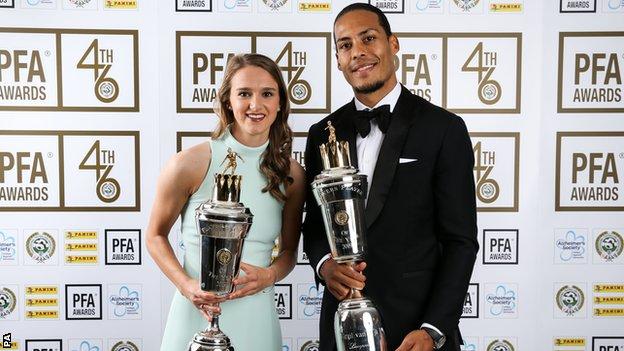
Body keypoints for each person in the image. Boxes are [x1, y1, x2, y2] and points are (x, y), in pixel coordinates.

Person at [302, 4, 479, 351]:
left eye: (369, 38)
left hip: (415, 330)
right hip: (343, 326)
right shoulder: (322, 134)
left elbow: (461, 242)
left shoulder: (444, 129)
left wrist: (433, 328)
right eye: (346, 45)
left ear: (393, 44)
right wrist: (325, 265)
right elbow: (313, 226)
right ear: (338, 60)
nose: (359, 52)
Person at [147, 53, 305, 350]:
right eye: (244, 93)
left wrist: (269, 275)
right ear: (227, 101)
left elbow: (289, 253)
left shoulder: (292, 175)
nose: (255, 105)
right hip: (195, 313)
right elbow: (155, 235)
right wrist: (186, 285)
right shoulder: (190, 164)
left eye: (267, 94)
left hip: (257, 319)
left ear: (280, 102)